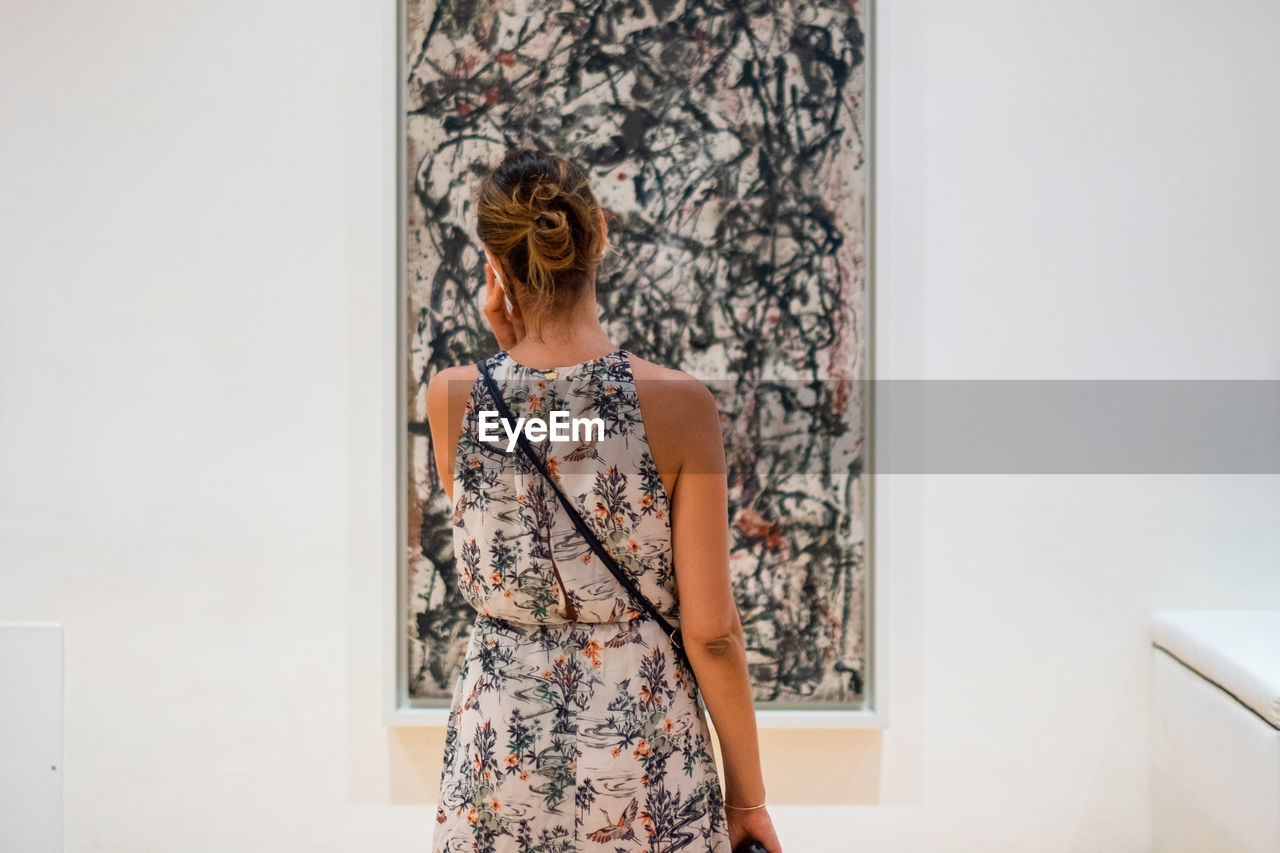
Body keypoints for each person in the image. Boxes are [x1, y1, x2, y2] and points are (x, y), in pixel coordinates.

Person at [426, 147, 782, 853]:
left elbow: (514, 517)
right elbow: (712, 632)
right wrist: (748, 798)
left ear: (494, 268)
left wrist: (511, 351)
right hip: (643, 754)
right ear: (601, 236)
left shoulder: (452, 397)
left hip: (500, 754)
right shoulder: (678, 406)